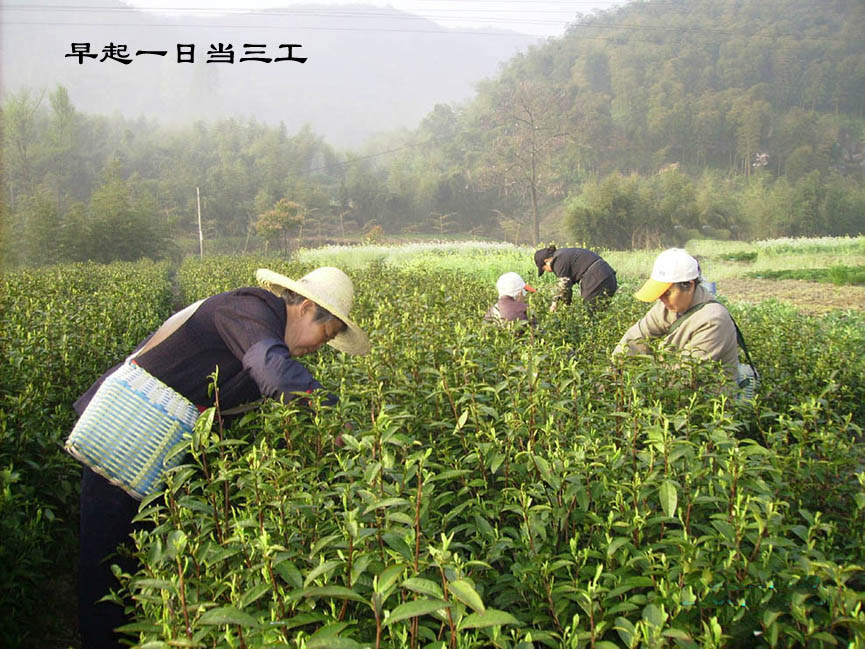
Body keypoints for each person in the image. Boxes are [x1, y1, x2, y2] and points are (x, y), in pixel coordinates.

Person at [73, 266, 370, 649]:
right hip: (122, 438)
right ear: (306, 307)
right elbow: (277, 375)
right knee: (108, 558)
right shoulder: (249, 310)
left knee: (141, 558)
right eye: (325, 333)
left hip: (155, 453)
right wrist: (339, 425)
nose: (318, 346)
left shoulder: (261, 331)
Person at [613, 248, 738, 381]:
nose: (661, 299)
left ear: (689, 286)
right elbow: (635, 338)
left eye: (667, 293)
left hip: (709, 397)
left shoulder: (713, 320)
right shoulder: (668, 306)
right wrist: (613, 371)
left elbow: (684, 375)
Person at [534, 245, 617, 313]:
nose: (548, 271)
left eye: (544, 269)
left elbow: (564, 287)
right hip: (609, 276)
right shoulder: (563, 254)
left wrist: (555, 304)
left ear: (546, 261)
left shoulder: (557, 261)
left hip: (596, 279)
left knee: (591, 314)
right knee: (601, 312)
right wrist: (566, 303)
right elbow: (567, 288)